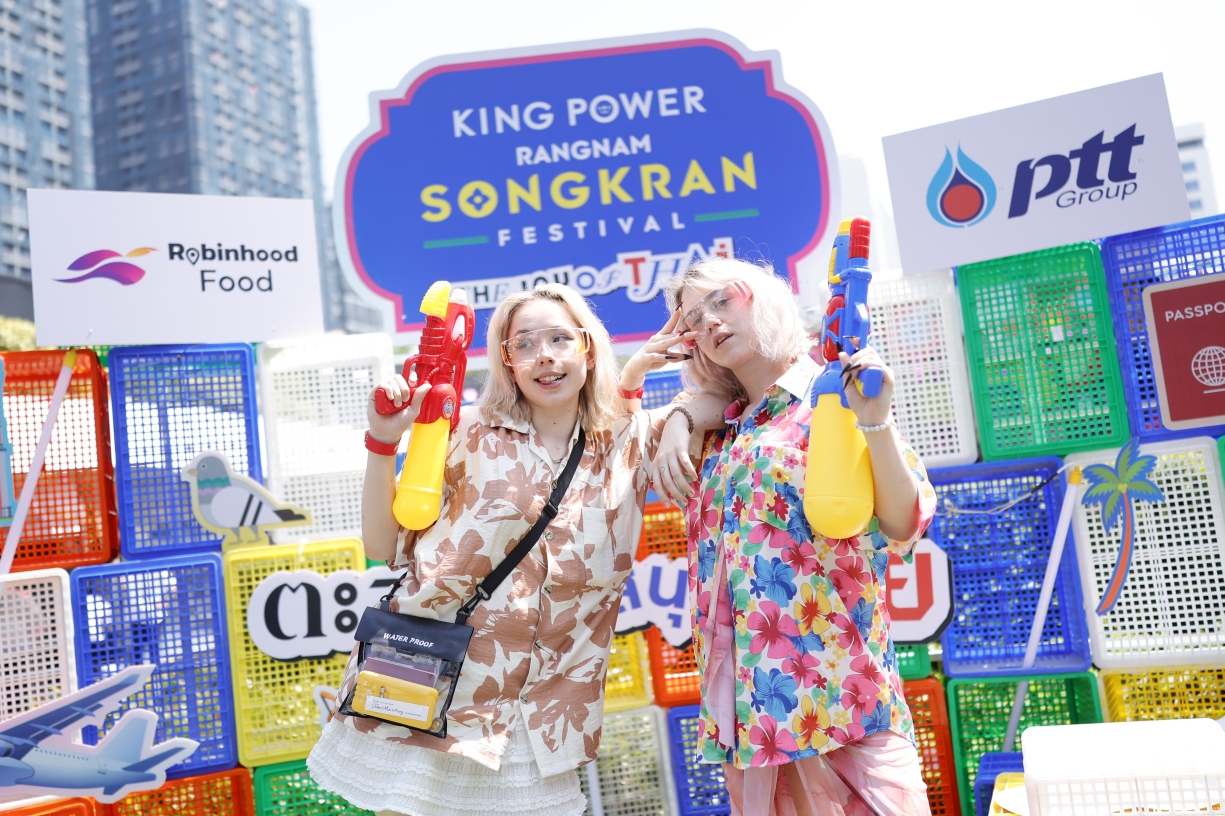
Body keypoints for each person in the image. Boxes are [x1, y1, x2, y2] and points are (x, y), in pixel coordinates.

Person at [308, 283, 725, 816]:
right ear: (506, 362)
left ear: (588, 349)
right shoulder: (466, 431)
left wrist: (674, 413)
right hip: (429, 682)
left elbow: (726, 402)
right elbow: (383, 543)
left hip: (542, 715)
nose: (544, 355)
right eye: (524, 343)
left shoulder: (628, 442)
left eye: (559, 338)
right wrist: (383, 441)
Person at [659, 258, 938, 816]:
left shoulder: (830, 395)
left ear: (764, 296)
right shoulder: (720, 429)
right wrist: (678, 418)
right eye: (692, 320)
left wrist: (876, 421)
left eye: (722, 300)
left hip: (842, 701)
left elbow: (904, 522)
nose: (708, 321)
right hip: (752, 720)